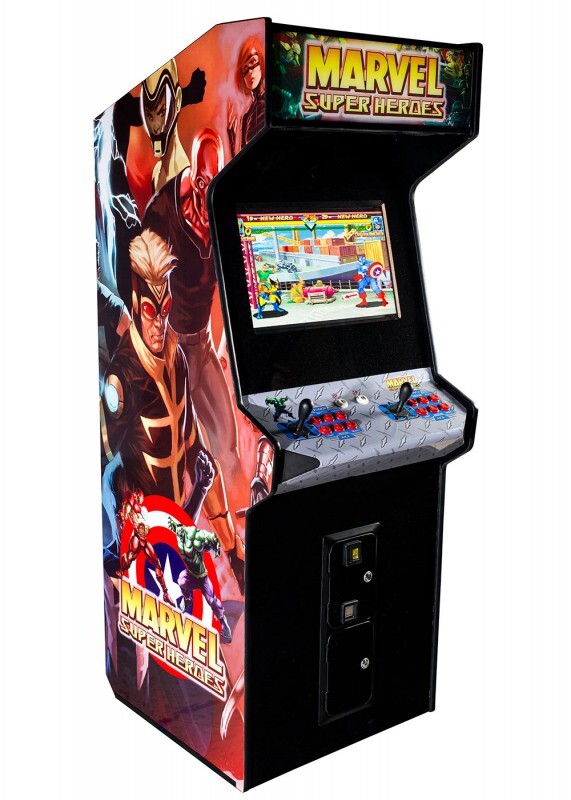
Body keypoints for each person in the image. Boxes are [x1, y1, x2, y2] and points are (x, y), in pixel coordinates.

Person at [227, 36, 266, 157]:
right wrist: (232, 135)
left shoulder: (268, 105)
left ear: (261, 61)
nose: (249, 71)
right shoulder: (247, 115)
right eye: (245, 67)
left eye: (253, 62)